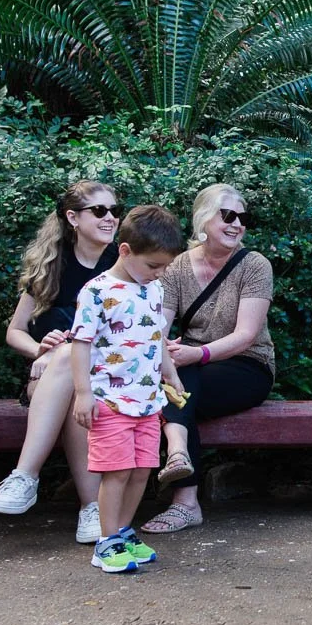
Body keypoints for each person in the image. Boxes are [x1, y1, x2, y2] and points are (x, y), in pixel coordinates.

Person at [0, 181, 121, 544]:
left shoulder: (121, 265)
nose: (110, 218)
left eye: (114, 210)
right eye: (99, 211)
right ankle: (91, 507)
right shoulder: (51, 265)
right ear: (72, 217)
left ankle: (26, 476)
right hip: (47, 375)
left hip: (108, 376)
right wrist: (37, 350)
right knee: (65, 365)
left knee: (75, 375)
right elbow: (14, 331)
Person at [143, 184, 277, 534]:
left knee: (180, 385)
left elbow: (246, 335)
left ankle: (184, 500)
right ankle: (177, 470)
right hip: (189, 367)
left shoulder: (254, 265)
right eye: (227, 215)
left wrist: (195, 353)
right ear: (203, 219)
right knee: (173, 386)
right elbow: (158, 325)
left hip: (247, 365)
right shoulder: (176, 267)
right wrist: (165, 352)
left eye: (242, 218)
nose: (237, 225)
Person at [70, 205, 187, 573]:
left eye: (165, 266)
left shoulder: (153, 289)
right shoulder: (98, 291)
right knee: (116, 471)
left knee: (141, 470)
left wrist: (171, 375)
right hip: (110, 400)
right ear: (125, 251)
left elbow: (158, 337)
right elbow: (81, 343)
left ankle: (123, 531)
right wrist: (83, 392)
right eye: (153, 265)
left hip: (148, 402)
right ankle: (105, 542)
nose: (160, 273)